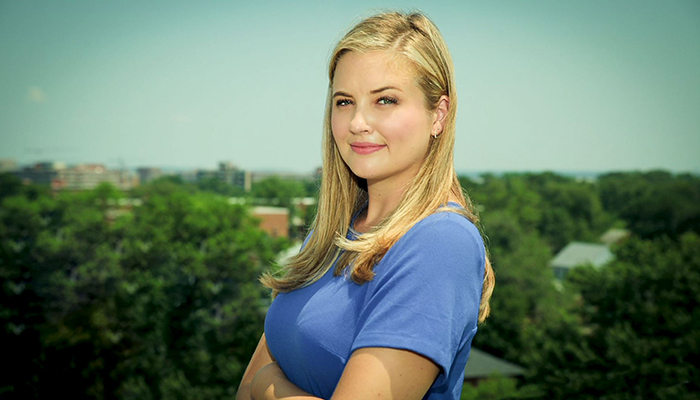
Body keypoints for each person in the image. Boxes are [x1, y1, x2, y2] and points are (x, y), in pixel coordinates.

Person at [236, 11, 495, 400]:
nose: (358, 122)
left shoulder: (441, 243)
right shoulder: (333, 234)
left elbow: (256, 381)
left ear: (438, 114)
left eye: (385, 100)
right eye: (344, 102)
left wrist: (266, 386)